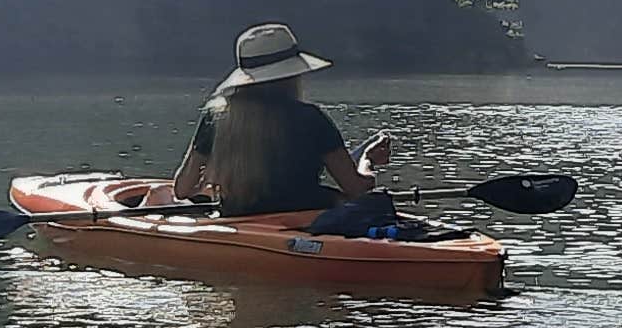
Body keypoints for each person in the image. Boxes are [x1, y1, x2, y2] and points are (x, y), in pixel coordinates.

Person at [158, 22, 425, 236]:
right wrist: (368, 161)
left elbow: (182, 190)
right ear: (291, 74)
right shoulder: (311, 119)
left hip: (239, 220)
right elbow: (357, 188)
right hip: (307, 221)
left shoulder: (217, 117)